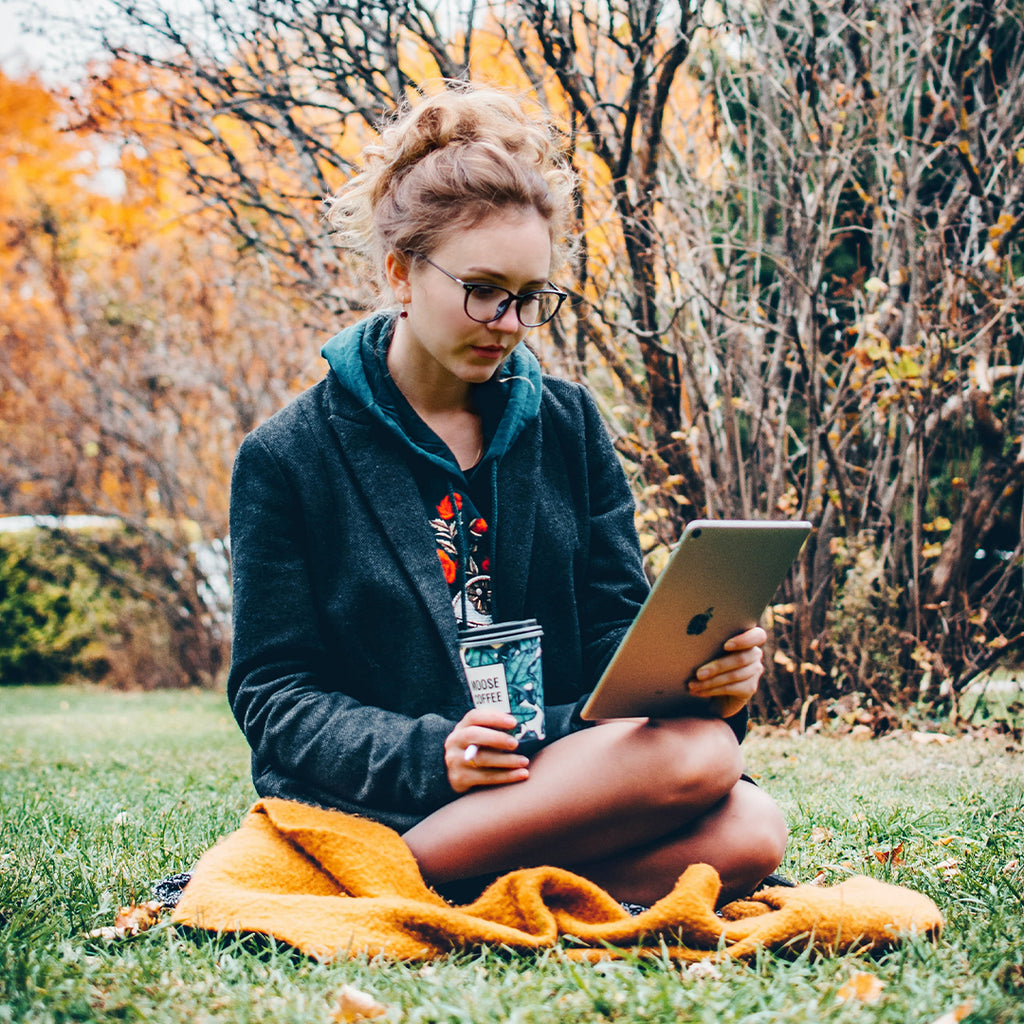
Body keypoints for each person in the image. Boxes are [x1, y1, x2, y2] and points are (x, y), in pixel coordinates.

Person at [226, 83, 787, 909]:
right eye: (485, 289)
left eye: (531, 297)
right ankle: (393, 871)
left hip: (556, 768)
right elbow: (277, 696)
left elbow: (610, 631)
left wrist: (704, 680)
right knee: (701, 762)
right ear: (400, 273)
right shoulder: (288, 455)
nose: (511, 322)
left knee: (752, 826)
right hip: (398, 790)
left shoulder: (568, 424)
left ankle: (441, 886)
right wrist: (433, 754)